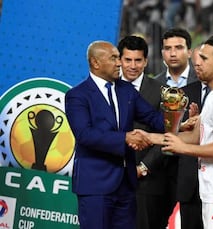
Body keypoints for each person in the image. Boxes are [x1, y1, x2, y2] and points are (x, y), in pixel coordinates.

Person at [151, 35, 213, 228]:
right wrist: (151, 137)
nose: (198, 62)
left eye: (205, 58)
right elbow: (195, 137)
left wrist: (182, 148)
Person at [65, 40, 164, 229]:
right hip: (95, 185)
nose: (120, 63)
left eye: (118, 58)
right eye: (114, 58)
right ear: (95, 63)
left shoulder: (126, 90)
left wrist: (179, 123)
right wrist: (125, 138)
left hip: (126, 184)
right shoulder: (77, 95)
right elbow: (85, 134)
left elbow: (152, 117)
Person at [117, 35, 169, 229]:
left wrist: (144, 167)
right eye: (127, 60)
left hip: (146, 182)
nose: (132, 65)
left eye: (138, 60)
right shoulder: (106, 88)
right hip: (108, 177)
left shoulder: (163, 92)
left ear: (146, 61)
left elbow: (169, 136)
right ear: (119, 60)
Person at [154, 27, 199, 226]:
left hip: (192, 169)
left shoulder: (203, 82)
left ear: (189, 52)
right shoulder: (153, 85)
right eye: (167, 48)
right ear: (162, 52)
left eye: (179, 47)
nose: (172, 53)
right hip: (158, 168)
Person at [178, 46, 205, 229]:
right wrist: (185, 127)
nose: (198, 67)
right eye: (195, 64)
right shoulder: (183, 94)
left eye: (203, 61)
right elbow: (171, 133)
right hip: (189, 183)